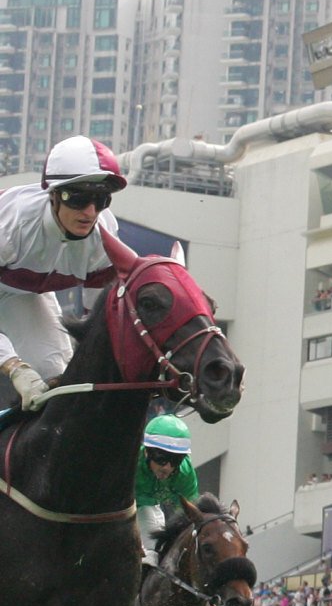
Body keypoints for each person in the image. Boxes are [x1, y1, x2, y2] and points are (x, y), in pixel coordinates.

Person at [0, 135, 126, 411]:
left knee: (56, 379)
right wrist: (14, 365)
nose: (90, 212)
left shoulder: (103, 236)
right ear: (53, 195)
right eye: (78, 198)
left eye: (100, 200)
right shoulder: (10, 227)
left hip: (21, 295)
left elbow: (107, 316)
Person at [134, 414, 199, 568]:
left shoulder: (185, 474)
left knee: (152, 553)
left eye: (175, 460)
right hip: (115, 507)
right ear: (146, 452)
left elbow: (190, 517)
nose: (167, 467)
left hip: (146, 507)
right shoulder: (131, 461)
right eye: (162, 458)